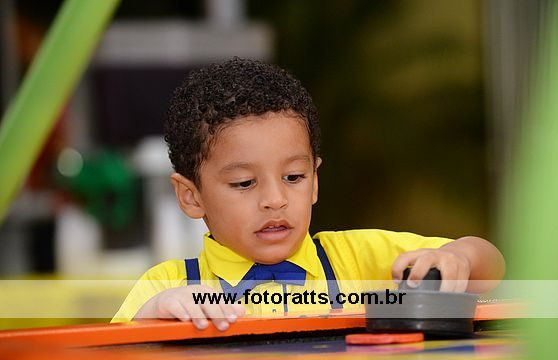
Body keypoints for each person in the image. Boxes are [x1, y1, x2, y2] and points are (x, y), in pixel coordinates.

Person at [112, 58, 505, 330]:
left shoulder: (358, 260)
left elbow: (490, 268)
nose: (275, 199)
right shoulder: (169, 284)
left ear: (315, 181)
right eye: (244, 183)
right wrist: (155, 314)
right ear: (191, 196)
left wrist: (457, 258)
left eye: (294, 177)